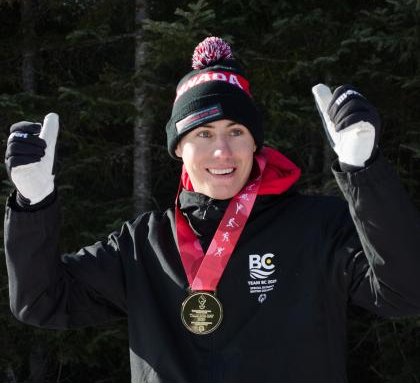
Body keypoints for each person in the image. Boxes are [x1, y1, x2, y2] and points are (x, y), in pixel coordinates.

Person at [4, 36, 420, 383]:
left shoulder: (317, 227)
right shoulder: (144, 244)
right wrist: (33, 203)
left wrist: (364, 171)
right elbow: (41, 301)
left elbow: (404, 291)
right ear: (178, 148)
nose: (222, 151)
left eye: (235, 131)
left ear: (254, 142)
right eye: (203, 133)